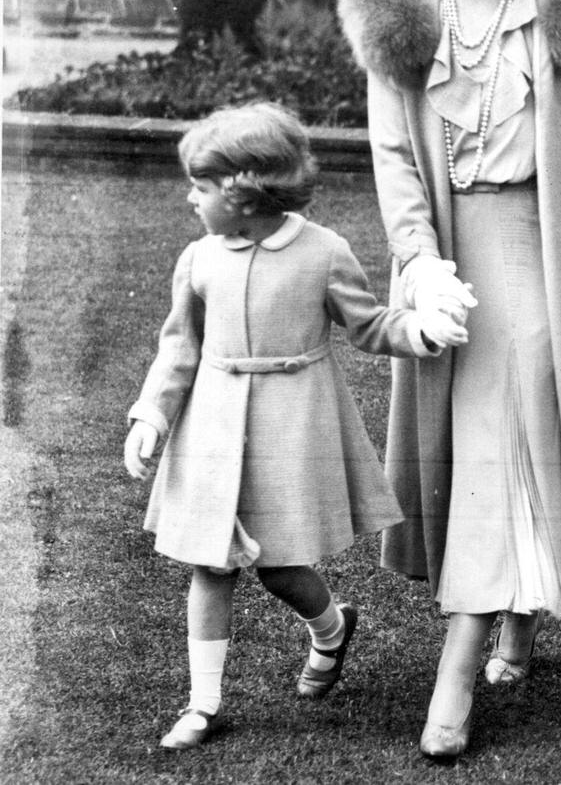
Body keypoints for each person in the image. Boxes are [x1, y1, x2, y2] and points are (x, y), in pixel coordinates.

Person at [336, 0, 561, 760]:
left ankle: (455, 674)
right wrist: (418, 266)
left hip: (536, 257)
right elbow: (394, 161)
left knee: (510, 433)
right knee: (473, 453)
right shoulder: (406, 22)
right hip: (446, 262)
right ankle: (516, 619)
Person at [123, 102, 469, 751]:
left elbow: (369, 324)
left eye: (200, 186)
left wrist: (420, 329)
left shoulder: (323, 252)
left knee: (281, 567)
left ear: (244, 191)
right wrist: (151, 415)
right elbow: (179, 348)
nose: (190, 198)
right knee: (211, 564)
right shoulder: (199, 259)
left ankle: (332, 629)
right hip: (212, 426)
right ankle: (204, 703)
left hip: (293, 422)